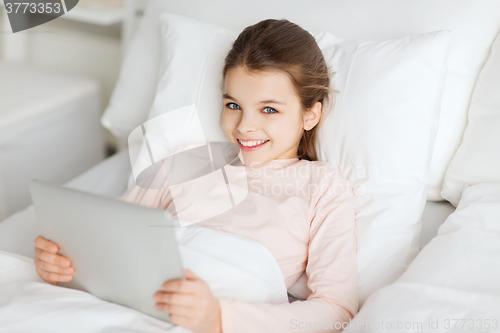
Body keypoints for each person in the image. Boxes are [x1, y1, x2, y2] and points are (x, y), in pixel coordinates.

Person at [33, 18, 358, 333]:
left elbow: (336, 311)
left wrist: (218, 318)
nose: (244, 125)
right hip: (130, 304)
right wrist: (62, 260)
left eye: (268, 109)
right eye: (233, 105)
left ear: (310, 114)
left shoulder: (322, 186)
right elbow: (110, 234)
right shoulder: (188, 161)